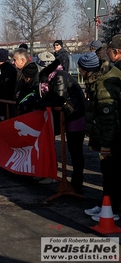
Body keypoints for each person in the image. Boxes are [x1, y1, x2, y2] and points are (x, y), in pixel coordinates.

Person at [78, 52, 121, 222]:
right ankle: (105, 204)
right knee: (108, 173)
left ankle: (112, 209)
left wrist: (106, 144)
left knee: (112, 174)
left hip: (113, 138)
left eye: (81, 69)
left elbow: (109, 120)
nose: (79, 72)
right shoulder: (98, 79)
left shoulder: (103, 85)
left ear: (87, 70)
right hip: (107, 135)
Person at [37, 58, 86, 189]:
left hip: (74, 117)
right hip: (69, 116)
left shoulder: (60, 76)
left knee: (75, 152)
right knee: (73, 151)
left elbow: (58, 98)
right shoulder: (53, 77)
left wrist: (41, 103)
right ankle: (73, 182)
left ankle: (77, 183)